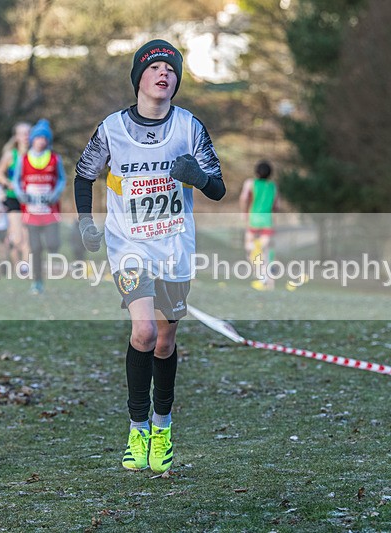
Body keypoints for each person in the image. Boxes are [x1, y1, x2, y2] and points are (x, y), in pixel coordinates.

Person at [74, 39, 225, 474]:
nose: (164, 74)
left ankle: (163, 426)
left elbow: (218, 188)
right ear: (139, 76)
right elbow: (85, 176)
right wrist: (87, 222)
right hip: (129, 245)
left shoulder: (189, 127)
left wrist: (195, 175)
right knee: (142, 331)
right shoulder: (112, 128)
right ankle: (137, 428)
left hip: (175, 246)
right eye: (155, 66)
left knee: (164, 339)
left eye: (172, 69)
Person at [13, 119, 65, 294]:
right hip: (31, 211)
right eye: (38, 138)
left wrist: (55, 194)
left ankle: (51, 257)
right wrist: (21, 194)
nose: (41, 141)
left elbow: (62, 180)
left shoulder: (55, 158)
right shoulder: (24, 159)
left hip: (50, 210)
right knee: (35, 248)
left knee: (52, 244)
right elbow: (16, 180)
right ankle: (37, 282)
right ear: (33, 140)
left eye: (44, 138)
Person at [0, 122, 31, 272]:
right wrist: (8, 183)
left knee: (28, 235)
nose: (26, 137)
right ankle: (10, 242)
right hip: (13, 198)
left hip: (30, 199)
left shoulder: (36, 155)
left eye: (28, 133)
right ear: (16, 136)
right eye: (22, 133)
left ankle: (26, 268)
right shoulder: (11, 155)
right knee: (18, 238)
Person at [239, 160, 280, 290]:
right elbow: (277, 205)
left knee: (250, 248)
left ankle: (262, 277)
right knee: (266, 251)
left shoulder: (250, 183)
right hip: (267, 221)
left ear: (256, 172)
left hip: (253, 220)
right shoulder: (273, 186)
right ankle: (269, 281)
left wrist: (244, 212)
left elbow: (244, 198)